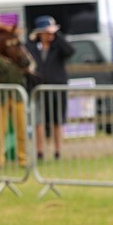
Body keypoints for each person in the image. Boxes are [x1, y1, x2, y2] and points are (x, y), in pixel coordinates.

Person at [25, 15, 74, 161]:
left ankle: (58, 151)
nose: (50, 35)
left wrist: (57, 35)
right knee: (38, 120)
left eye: (52, 32)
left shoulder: (58, 46)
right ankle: (40, 151)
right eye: (47, 32)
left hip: (57, 87)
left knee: (57, 120)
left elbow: (70, 51)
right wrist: (33, 39)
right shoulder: (33, 47)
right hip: (38, 88)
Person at [0, 26, 30, 171]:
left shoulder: (20, 51)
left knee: (21, 128)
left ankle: (23, 159)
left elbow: (30, 64)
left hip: (17, 94)